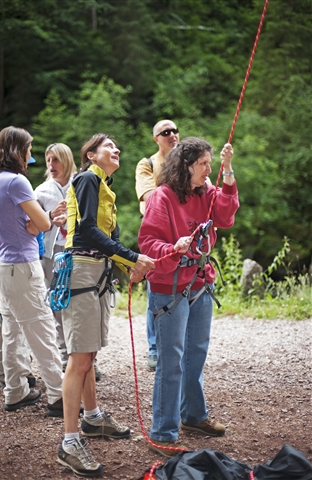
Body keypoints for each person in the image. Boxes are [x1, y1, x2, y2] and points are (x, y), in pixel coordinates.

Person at [57, 133, 155, 477]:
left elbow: (109, 238)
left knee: (90, 353)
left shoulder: (105, 187)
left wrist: (133, 265)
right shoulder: (86, 178)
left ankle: (93, 418)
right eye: (108, 146)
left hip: (97, 273)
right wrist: (132, 257)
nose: (116, 150)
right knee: (80, 357)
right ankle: (69, 442)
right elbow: (86, 229)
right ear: (91, 154)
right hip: (82, 270)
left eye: (117, 147)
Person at [138, 137, 239, 457]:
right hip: (169, 286)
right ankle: (162, 433)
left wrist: (227, 172)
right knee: (171, 361)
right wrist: (173, 248)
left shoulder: (206, 192)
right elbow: (148, 243)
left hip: (200, 283)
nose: (209, 169)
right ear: (186, 165)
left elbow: (225, 216)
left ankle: (193, 416)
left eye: (211, 164)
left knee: (195, 353)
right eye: (204, 164)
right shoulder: (162, 197)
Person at [0, 126, 64, 416]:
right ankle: (60, 396)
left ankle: (16, 391)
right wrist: (50, 215)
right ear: (17, 150)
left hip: (2, 266)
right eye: (29, 148)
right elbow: (42, 225)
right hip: (22, 266)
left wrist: (35, 220)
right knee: (43, 328)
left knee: (12, 331)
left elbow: (25, 223)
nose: (31, 154)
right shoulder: (17, 182)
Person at [135, 119, 180, 370]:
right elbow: (149, 195)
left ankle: (178, 345)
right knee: (156, 288)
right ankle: (154, 347)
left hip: (183, 233)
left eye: (174, 130)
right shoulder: (147, 164)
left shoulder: (187, 162)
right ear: (156, 138)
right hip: (157, 234)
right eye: (165, 132)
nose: (172, 135)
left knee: (187, 285)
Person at [35, 143, 78, 373]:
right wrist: (50, 218)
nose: (51, 165)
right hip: (52, 254)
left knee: (79, 301)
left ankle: (87, 356)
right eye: (48, 160)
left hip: (77, 251)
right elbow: (29, 225)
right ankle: (65, 355)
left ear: (67, 160)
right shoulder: (40, 191)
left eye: (56, 160)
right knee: (57, 303)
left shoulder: (82, 183)